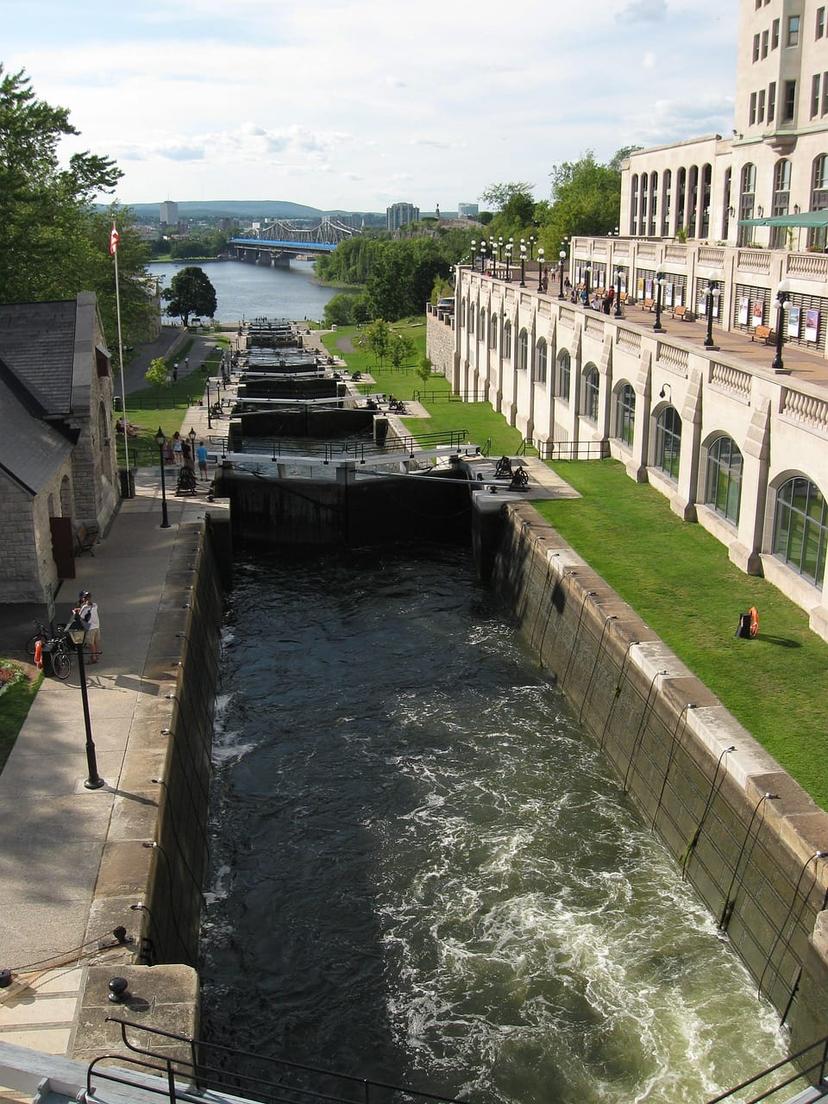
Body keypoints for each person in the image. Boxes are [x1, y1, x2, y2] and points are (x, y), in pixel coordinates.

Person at [79, 592, 101, 663]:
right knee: (96, 642)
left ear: (84, 599)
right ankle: (97, 655)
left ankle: (93, 658)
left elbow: (80, 616)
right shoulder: (95, 605)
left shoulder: (84, 607)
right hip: (97, 626)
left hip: (90, 627)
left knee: (91, 643)